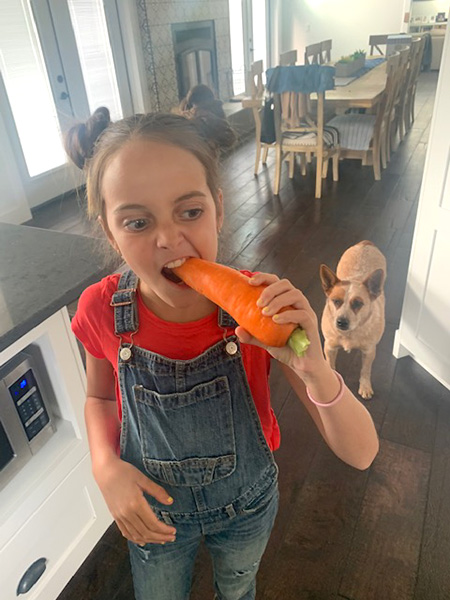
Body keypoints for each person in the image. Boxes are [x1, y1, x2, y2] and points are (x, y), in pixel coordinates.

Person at [65, 106, 379, 600]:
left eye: (190, 212)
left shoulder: (263, 311)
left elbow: (361, 454)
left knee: (237, 589)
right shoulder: (102, 309)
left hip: (246, 510)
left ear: (219, 207)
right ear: (109, 231)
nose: (169, 239)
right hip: (155, 518)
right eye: (137, 222)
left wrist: (314, 366)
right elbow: (100, 399)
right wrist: (104, 466)